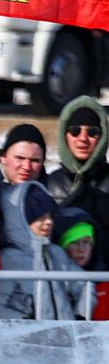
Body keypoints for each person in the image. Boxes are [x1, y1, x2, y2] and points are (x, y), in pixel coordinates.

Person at [0, 180, 86, 319]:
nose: (49, 221)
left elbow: (85, 285)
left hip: (62, 335)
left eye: (50, 215)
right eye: (40, 216)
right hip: (25, 339)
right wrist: (25, 324)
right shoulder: (9, 259)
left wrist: (80, 316)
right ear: (22, 220)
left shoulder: (56, 254)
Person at [46, 98, 109, 255]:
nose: (83, 138)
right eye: (75, 131)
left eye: (92, 132)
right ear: (64, 135)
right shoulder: (50, 183)